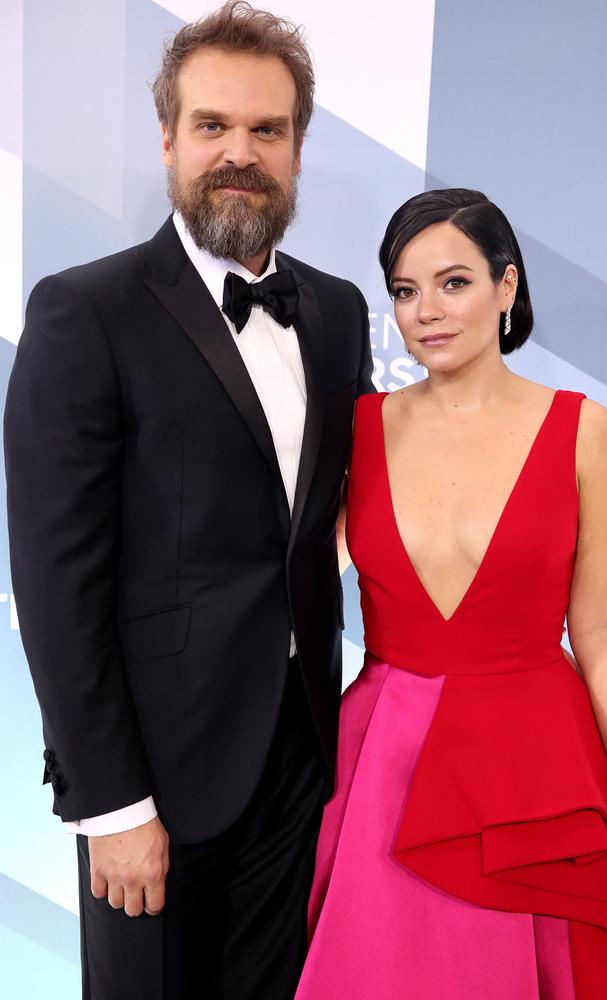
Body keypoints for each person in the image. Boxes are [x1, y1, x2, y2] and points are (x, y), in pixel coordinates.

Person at [3, 4, 373, 998]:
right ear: (168, 139)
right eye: (212, 126)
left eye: (265, 130)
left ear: (297, 148)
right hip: (153, 775)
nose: (237, 154)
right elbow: (53, 579)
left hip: (301, 758)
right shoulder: (85, 309)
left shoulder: (336, 310)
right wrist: (110, 802)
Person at [295, 188, 607, 999]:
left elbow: (599, 624)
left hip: (539, 767)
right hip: (384, 764)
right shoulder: (357, 427)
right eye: (405, 291)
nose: (427, 311)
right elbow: (292, 584)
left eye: (454, 282)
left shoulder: (582, 429)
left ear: (508, 288)